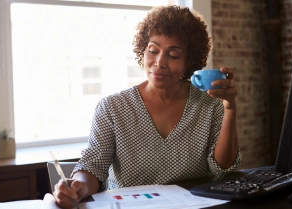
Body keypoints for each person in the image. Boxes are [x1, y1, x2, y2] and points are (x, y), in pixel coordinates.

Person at [54, 5, 241, 208]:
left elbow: (223, 167)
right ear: (143, 50)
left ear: (189, 61)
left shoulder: (210, 105)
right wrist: (78, 185)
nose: (159, 62)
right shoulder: (113, 107)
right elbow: (92, 166)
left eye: (174, 55)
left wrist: (230, 109)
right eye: (153, 50)